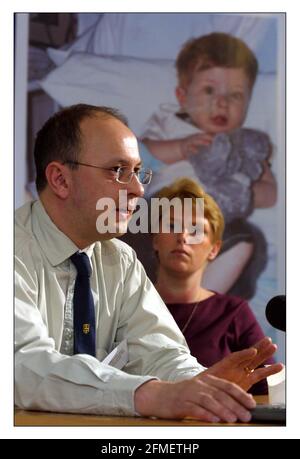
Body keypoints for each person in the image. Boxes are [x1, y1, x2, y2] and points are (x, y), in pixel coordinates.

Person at [15, 104, 282, 423]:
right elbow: (22, 366)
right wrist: (150, 395)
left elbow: (161, 353)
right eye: (118, 171)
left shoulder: (121, 259)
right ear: (60, 179)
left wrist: (202, 386)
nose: (138, 189)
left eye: (139, 171)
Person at [141, 32, 277, 299]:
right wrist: (179, 148)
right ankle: (148, 296)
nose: (222, 102)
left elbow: (271, 194)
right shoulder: (169, 123)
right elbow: (139, 155)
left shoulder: (246, 145)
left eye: (236, 95)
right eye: (209, 90)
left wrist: (246, 191)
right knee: (122, 225)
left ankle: (199, 306)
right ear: (182, 96)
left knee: (246, 240)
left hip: (214, 221)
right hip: (163, 212)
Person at [152, 177, 274, 395]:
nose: (182, 236)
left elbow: (271, 389)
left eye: (196, 231)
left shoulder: (234, 313)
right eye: (172, 225)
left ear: (214, 249)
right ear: (155, 239)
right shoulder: (127, 303)